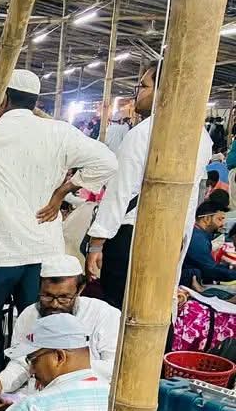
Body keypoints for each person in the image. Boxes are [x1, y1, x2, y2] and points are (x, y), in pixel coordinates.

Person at [0, 69, 118, 378]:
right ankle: (37, 383)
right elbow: (108, 162)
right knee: (43, 329)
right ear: (34, 101)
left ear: (3, 98)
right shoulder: (59, 132)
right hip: (41, 253)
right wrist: (63, 191)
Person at [86, 62, 213, 309]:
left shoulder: (143, 133)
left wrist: (97, 242)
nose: (138, 94)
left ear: (163, 90)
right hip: (171, 238)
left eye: (143, 86)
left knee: (119, 307)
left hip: (131, 235)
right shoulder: (201, 136)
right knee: (154, 306)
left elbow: (120, 191)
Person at [0, 255, 120, 401]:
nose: (55, 304)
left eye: (64, 297)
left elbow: (114, 369)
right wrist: (1, 381)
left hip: (87, 396)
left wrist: (58, 372)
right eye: (47, 296)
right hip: (37, 396)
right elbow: (22, 363)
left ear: (80, 290)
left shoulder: (104, 314)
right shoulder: (29, 315)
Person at [180, 198, 236, 287]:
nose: (222, 224)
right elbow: (210, 270)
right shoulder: (197, 238)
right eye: (219, 219)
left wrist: (229, 268)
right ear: (207, 219)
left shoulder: (199, 235)